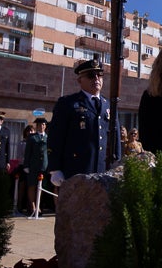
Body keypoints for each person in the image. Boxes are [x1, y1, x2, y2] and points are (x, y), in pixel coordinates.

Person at [47, 58, 113, 186]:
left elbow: (114, 138)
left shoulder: (109, 105)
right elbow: (56, 137)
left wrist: (117, 164)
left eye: (99, 75)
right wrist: (55, 168)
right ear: (80, 80)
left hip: (103, 170)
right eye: (90, 75)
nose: (96, 79)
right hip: (76, 170)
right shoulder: (68, 103)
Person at [24, 118, 49, 216]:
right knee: (32, 185)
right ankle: (33, 207)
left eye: (43, 125)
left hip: (44, 166)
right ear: (37, 126)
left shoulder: (48, 137)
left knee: (41, 187)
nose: (41, 126)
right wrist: (26, 165)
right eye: (39, 125)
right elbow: (27, 152)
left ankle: (38, 206)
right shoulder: (32, 137)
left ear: (45, 126)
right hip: (33, 165)